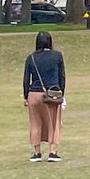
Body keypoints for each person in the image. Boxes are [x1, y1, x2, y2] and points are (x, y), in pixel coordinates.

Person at [23, 30, 66, 162]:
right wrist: (62, 94)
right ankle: (52, 152)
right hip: (52, 94)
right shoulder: (57, 56)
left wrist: (26, 96)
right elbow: (61, 77)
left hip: (34, 94)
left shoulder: (31, 58)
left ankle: (37, 153)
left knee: (35, 123)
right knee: (54, 123)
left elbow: (26, 79)